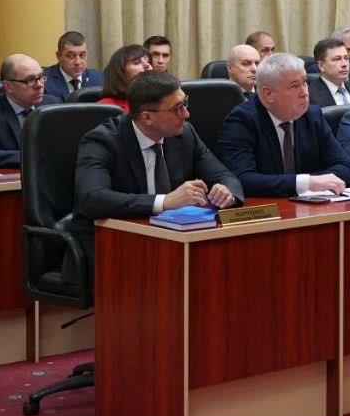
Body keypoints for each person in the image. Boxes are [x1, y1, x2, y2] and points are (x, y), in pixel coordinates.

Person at [67, 71, 243, 280]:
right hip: (112, 245)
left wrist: (226, 192)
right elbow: (93, 198)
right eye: (177, 109)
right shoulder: (102, 141)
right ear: (147, 117)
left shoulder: (184, 134)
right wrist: (165, 202)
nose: (186, 114)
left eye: (185, 103)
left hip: (169, 240)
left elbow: (225, 175)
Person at [215, 53, 350, 197]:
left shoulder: (312, 115)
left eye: (304, 82)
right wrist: (306, 183)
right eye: (294, 86)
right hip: (267, 207)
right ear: (268, 94)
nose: (305, 93)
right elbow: (242, 180)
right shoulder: (241, 121)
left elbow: (347, 168)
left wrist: (311, 182)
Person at [0, 53, 61, 168]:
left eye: (41, 77)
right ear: (8, 86)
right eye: (30, 80)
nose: (39, 85)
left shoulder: (53, 105)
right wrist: (33, 157)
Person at [44, 31, 104, 101]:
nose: (78, 62)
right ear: (58, 56)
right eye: (71, 56)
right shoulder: (44, 82)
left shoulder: (99, 79)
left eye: (82, 55)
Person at [98, 45, 154, 111]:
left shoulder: (161, 101)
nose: (147, 65)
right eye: (137, 62)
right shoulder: (105, 107)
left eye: (148, 61)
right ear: (120, 73)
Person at [309, 37, 350, 107]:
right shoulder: (310, 95)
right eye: (337, 59)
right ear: (321, 66)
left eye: (346, 58)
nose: (345, 64)